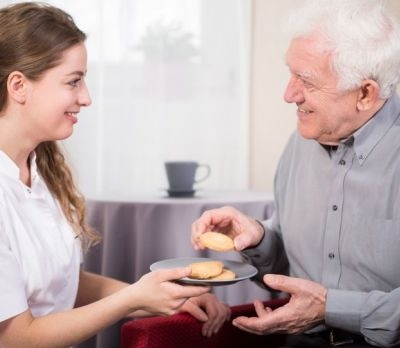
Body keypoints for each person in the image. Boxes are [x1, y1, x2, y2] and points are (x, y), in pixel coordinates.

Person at [0, 2, 230, 347]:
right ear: (18, 86)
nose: (87, 98)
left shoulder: (39, 171)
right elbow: (16, 338)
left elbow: (62, 285)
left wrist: (165, 297)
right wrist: (133, 300)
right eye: (73, 82)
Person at [191, 0, 400, 347]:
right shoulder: (301, 143)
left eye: (307, 81)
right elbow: (290, 267)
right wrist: (257, 239)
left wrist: (332, 308)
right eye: (291, 73)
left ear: (365, 93)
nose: (289, 94)